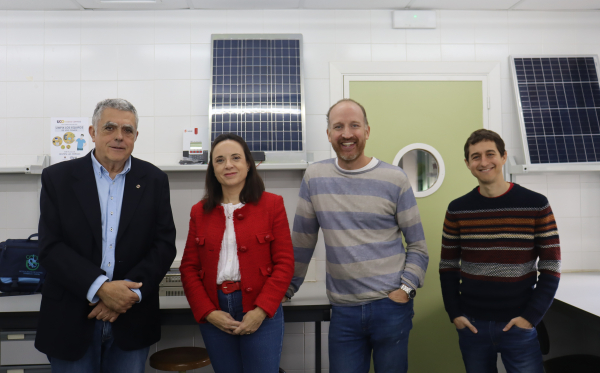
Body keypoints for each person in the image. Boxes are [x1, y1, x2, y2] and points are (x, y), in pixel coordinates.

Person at [285, 99, 429, 373]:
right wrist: (286, 289)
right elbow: (302, 242)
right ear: (328, 134)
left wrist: (406, 289)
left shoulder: (394, 179)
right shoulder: (315, 177)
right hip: (344, 311)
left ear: (367, 131)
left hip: (390, 307)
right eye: (338, 126)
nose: (347, 134)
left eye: (354, 125)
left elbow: (418, 246)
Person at [35, 99, 177, 372]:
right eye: (110, 127)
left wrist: (125, 297)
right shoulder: (58, 179)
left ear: (136, 136)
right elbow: (51, 247)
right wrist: (101, 288)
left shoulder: (154, 180)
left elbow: (163, 246)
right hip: (71, 318)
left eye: (128, 130)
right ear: (93, 132)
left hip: (132, 319)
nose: (119, 137)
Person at [439, 129, 561, 373]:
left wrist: (530, 318)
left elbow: (551, 267)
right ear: (467, 164)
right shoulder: (457, 210)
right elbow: (448, 267)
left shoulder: (536, 204)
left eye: (490, 154)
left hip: (519, 324)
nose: (483, 162)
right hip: (472, 325)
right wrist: (454, 314)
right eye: (475, 157)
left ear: (504, 156)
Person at [180, 133, 294, 373]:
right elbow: (189, 268)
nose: (228, 165)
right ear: (213, 169)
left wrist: (261, 311)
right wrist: (209, 312)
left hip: (260, 308)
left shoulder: (272, 204)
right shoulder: (199, 212)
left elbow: (284, 263)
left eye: (235, 158)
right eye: (220, 160)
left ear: (248, 164)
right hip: (216, 310)